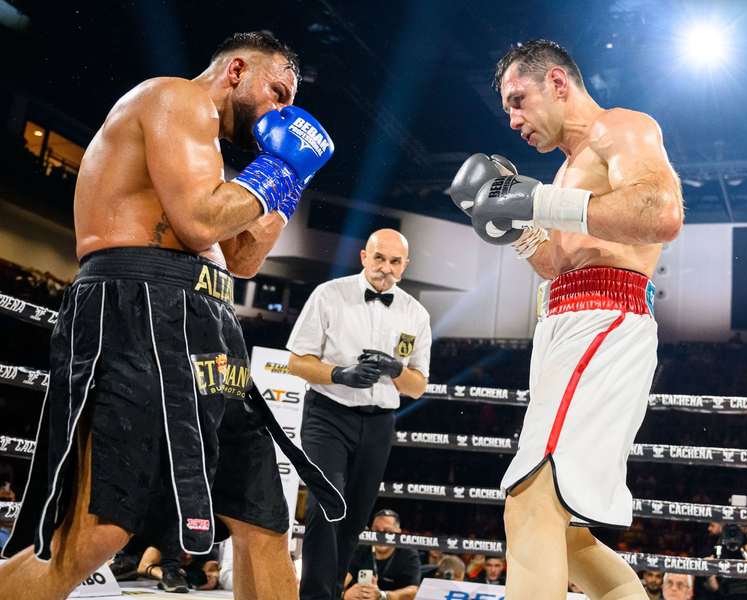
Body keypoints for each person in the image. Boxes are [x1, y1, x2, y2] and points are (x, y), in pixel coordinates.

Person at [0, 31, 344, 600]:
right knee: (98, 530)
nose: (283, 110)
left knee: (263, 519)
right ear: (237, 69)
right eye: (277, 92)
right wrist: (277, 168)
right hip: (138, 310)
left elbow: (243, 258)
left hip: (208, 327)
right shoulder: (174, 99)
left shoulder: (209, 153)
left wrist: (289, 179)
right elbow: (201, 223)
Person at [450, 39, 683, 599]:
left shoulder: (620, 128)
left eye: (518, 100)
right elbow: (558, 263)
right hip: (569, 321)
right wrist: (510, 225)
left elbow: (661, 213)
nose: (512, 120)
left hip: (603, 319)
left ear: (557, 82)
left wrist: (534, 203)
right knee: (569, 533)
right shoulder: (564, 175)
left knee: (530, 504)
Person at [287, 229, 432, 600]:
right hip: (328, 415)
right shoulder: (329, 294)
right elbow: (296, 362)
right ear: (364, 257)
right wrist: (340, 374)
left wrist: (395, 370)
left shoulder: (416, 313)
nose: (386, 267)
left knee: (353, 520)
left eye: (395, 261)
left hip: (379, 422)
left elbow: (417, 387)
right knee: (326, 506)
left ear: (405, 266)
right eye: (379, 258)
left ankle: (332, 594)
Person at [343, 510, 421, 600]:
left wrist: (383, 595)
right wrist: (345, 594)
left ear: (398, 534)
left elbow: (413, 591)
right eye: (376, 530)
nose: (381, 536)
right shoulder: (361, 549)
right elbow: (340, 581)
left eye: (387, 531)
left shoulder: (408, 554)